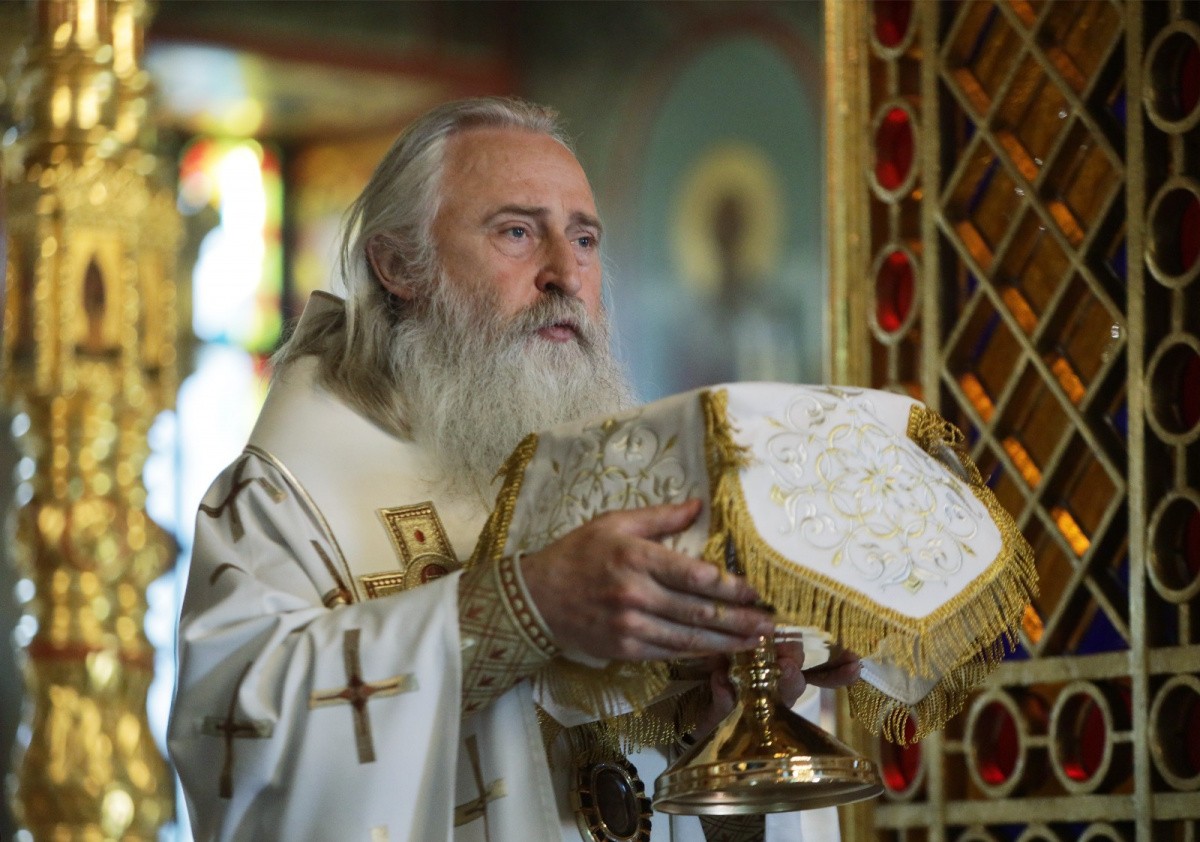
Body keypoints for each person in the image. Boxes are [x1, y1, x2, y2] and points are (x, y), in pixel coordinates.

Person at [168, 97, 861, 842]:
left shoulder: (625, 488)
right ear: (398, 265)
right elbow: (239, 740)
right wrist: (523, 608)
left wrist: (721, 723)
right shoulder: (286, 496)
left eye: (585, 240)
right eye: (517, 232)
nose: (565, 274)